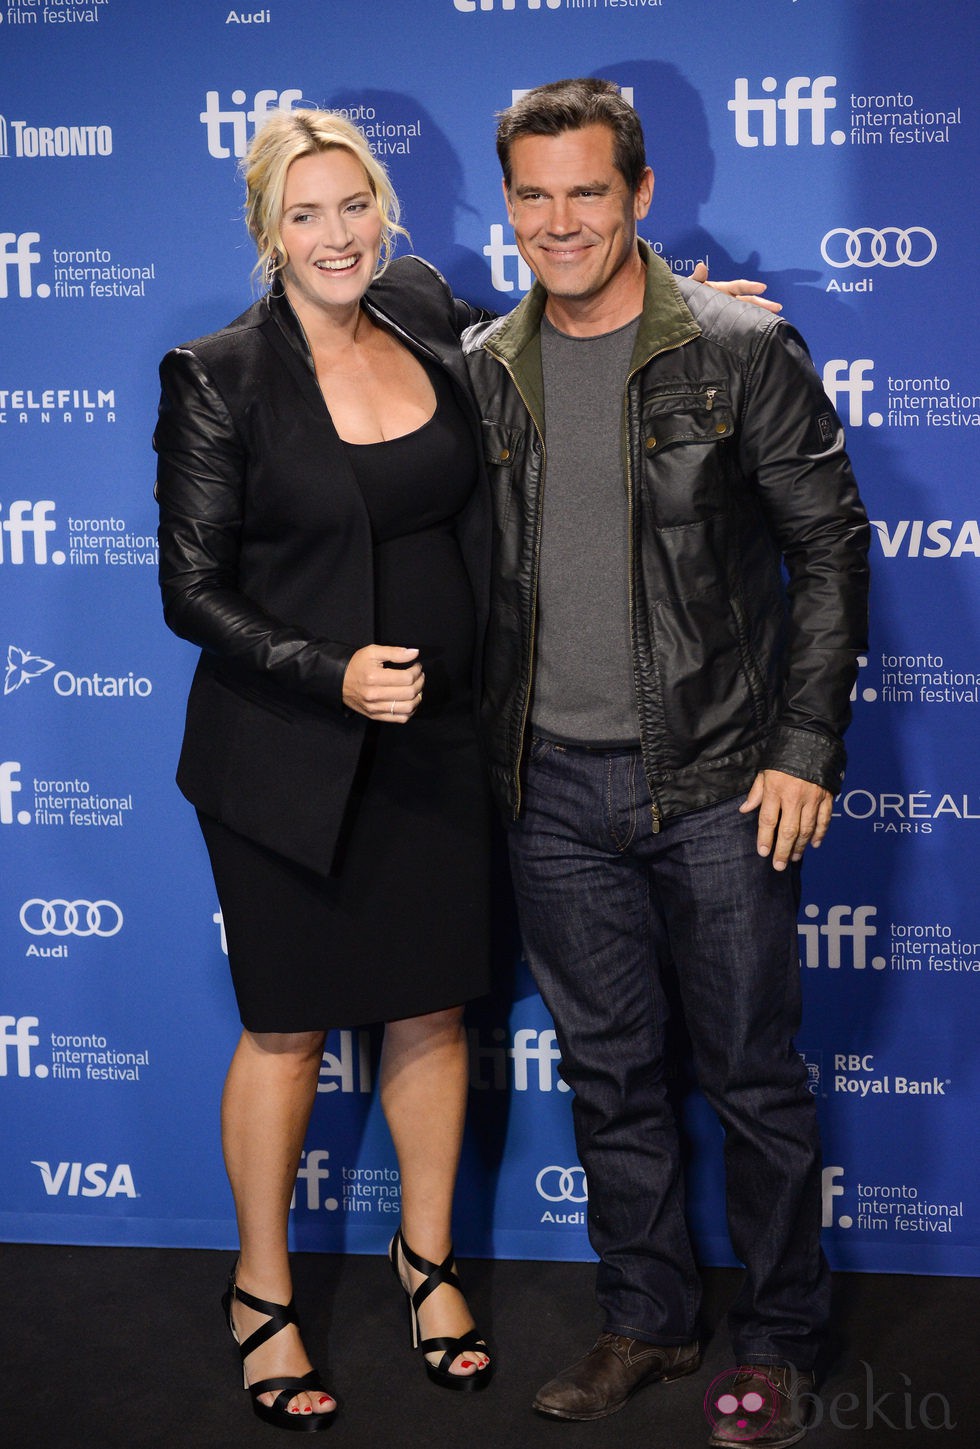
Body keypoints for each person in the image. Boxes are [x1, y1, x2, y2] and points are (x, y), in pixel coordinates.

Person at [461, 79, 870, 1449]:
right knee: (611, 1075)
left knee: (753, 1077)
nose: (560, 220)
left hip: (717, 782)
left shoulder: (741, 348)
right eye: (533, 193)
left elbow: (832, 551)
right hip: (552, 795)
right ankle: (647, 1314)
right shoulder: (480, 365)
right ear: (506, 202)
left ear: (641, 194)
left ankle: (779, 1334)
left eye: (588, 190)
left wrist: (806, 745)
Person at [153, 108, 496, 1429]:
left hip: (441, 740)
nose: (337, 234)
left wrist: (690, 311)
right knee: (287, 1025)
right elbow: (189, 589)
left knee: (430, 1009)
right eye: (306, 214)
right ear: (265, 231)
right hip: (285, 755)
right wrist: (327, 669)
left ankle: (426, 1261)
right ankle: (262, 1291)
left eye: (354, 205)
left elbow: (554, 340)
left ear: (387, 212)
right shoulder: (217, 372)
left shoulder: (420, 303)